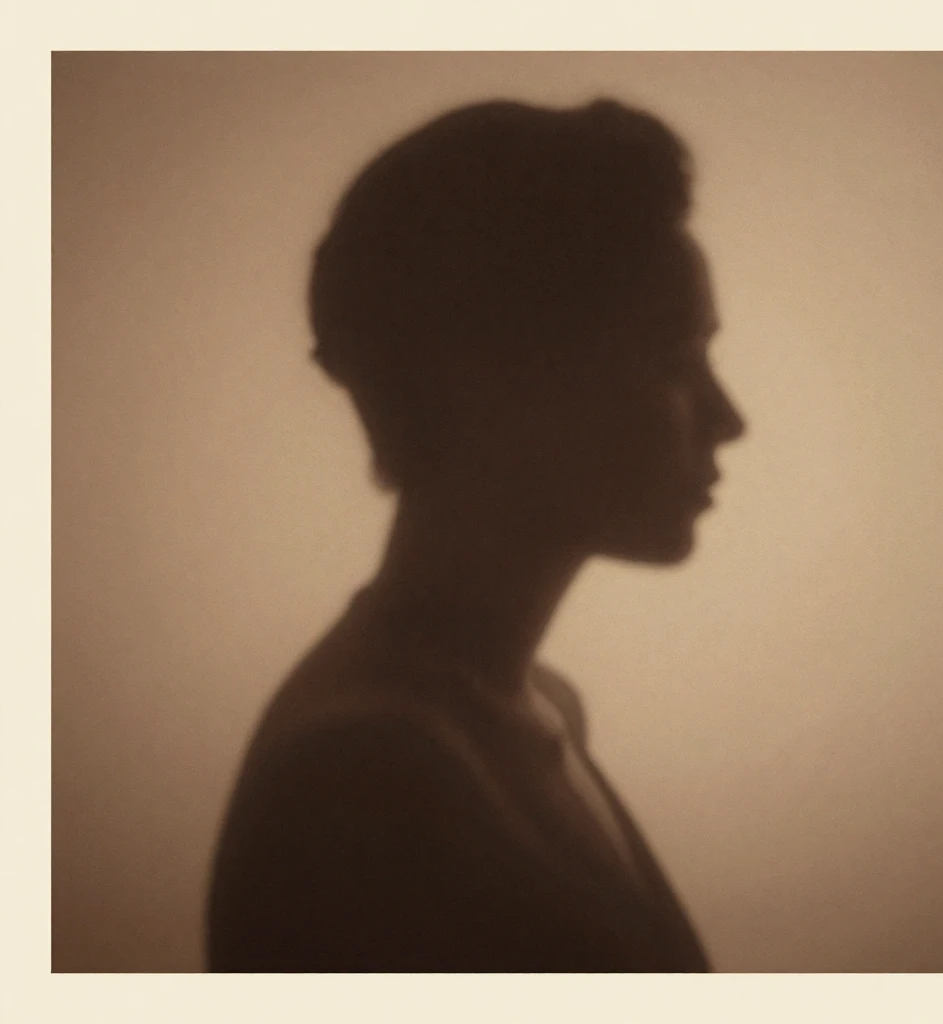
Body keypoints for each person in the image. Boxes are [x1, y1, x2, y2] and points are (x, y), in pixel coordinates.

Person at [206, 98, 745, 972]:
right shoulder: (365, 791)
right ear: (497, 387)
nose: (729, 419)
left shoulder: (528, 707)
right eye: (672, 358)